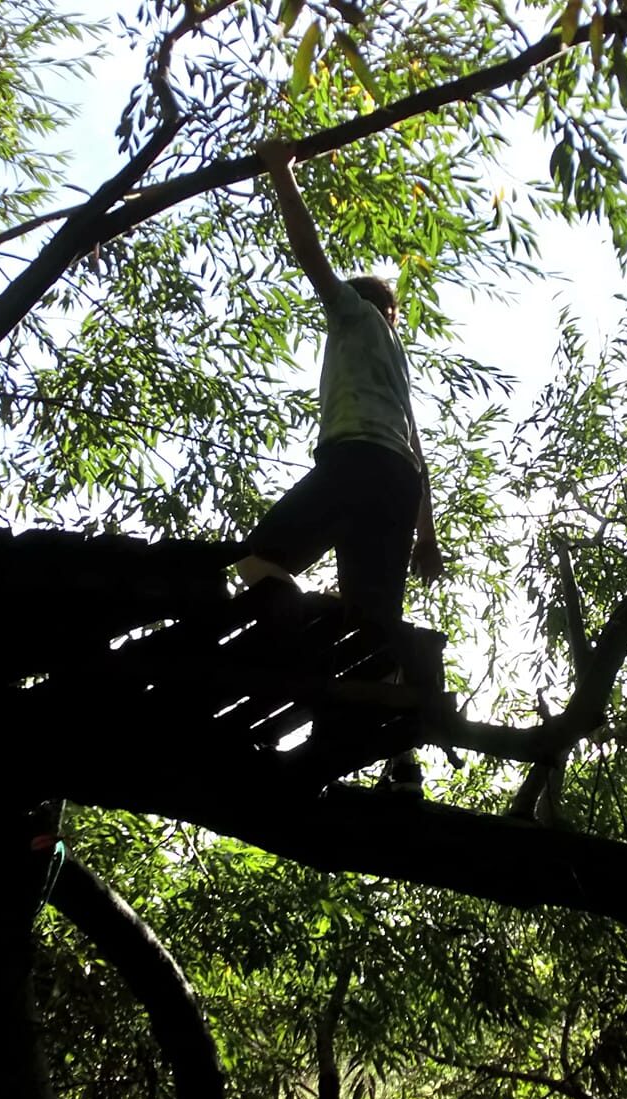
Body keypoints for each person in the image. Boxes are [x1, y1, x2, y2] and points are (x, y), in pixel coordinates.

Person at [242, 139, 445, 792]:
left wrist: (281, 172)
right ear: (396, 314)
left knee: (259, 560)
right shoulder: (399, 361)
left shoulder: (353, 316)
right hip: (396, 482)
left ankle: (300, 635)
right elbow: (417, 453)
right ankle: (403, 764)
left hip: (355, 461)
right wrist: (426, 537)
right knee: (375, 620)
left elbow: (309, 253)